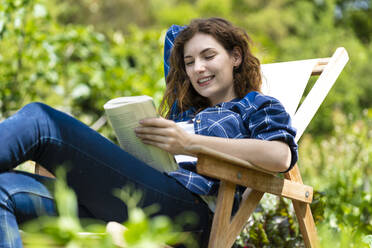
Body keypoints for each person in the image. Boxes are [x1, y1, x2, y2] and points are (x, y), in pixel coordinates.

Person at [0, 17, 297, 247]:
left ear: (236, 57)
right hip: (138, 195)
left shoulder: (256, 105)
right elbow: (174, 34)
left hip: (187, 210)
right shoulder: (187, 112)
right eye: (189, 62)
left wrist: (190, 143)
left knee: (42, 121)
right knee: (4, 189)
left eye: (209, 56)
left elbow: (280, 156)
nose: (198, 69)